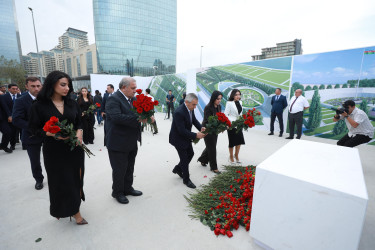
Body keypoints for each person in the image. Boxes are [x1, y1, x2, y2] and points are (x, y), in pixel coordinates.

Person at [28, 71, 87, 225]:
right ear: (52, 84)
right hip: (54, 152)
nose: (67, 88)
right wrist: (51, 133)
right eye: (63, 84)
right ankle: (70, 211)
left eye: (68, 85)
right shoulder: (39, 106)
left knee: (75, 180)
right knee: (60, 182)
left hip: (74, 149)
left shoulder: (72, 103)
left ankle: (74, 208)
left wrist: (79, 133)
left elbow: (79, 123)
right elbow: (33, 129)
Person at [105, 77, 152, 204]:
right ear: (123, 87)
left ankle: (128, 188)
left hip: (131, 140)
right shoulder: (113, 99)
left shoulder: (134, 99)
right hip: (117, 142)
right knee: (119, 169)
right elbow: (117, 118)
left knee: (129, 167)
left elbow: (142, 111)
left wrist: (148, 115)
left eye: (135, 88)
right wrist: (138, 119)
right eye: (133, 88)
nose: (135, 90)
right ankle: (118, 192)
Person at [12, 77, 44, 190]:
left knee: (52, 157)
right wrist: (33, 127)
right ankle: (39, 179)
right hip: (31, 136)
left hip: (48, 135)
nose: (36, 89)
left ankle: (54, 176)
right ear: (26, 86)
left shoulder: (46, 99)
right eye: (33, 86)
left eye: (38, 86)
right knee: (35, 160)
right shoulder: (21, 100)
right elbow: (16, 119)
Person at [169, 93, 206, 189]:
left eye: (196, 104)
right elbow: (181, 130)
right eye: (194, 104)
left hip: (185, 137)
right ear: (186, 102)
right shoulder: (179, 112)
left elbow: (194, 120)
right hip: (178, 138)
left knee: (191, 153)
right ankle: (186, 180)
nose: (195, 107)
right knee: (184, 158)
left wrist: (201, 128)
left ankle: (177, 168)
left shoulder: (190, 108)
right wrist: (196, 135)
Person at [197, 91, 223, 174]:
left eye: (220, 99)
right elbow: (209, 120)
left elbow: (220, 118)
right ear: (214, 98)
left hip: (215, 129)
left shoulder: (219, 106)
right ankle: (214, 167)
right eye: (218, 99)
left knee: (211, 146)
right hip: (207, 129)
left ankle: (203, 159)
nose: (219, 100)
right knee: (212, 148)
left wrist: (222, 125)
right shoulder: (208, 107)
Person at [224, 89, 245, 164]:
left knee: (239, 141)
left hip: (239, 124)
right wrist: (229, 123)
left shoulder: (241, 102)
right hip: (231, 125)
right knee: (232, 142)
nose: (238, 96)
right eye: (236, 95)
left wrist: (241, 121)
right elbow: (226, 114)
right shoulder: (229, 103)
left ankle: (236, 155)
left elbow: (240, 113)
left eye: (239, 94)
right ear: (233, 95)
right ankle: (231, 156)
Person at [0, 83, 21, 152]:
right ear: (9, 89)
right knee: (7, 132)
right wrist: (9, 115)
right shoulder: (3, 97)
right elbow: (5, 107)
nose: (15, 90)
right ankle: (4, 146)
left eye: (16, 89)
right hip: (5, 118)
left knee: (14, 132)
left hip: (16, 118)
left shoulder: (20, 96)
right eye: (13, 89)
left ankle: (12, 145)